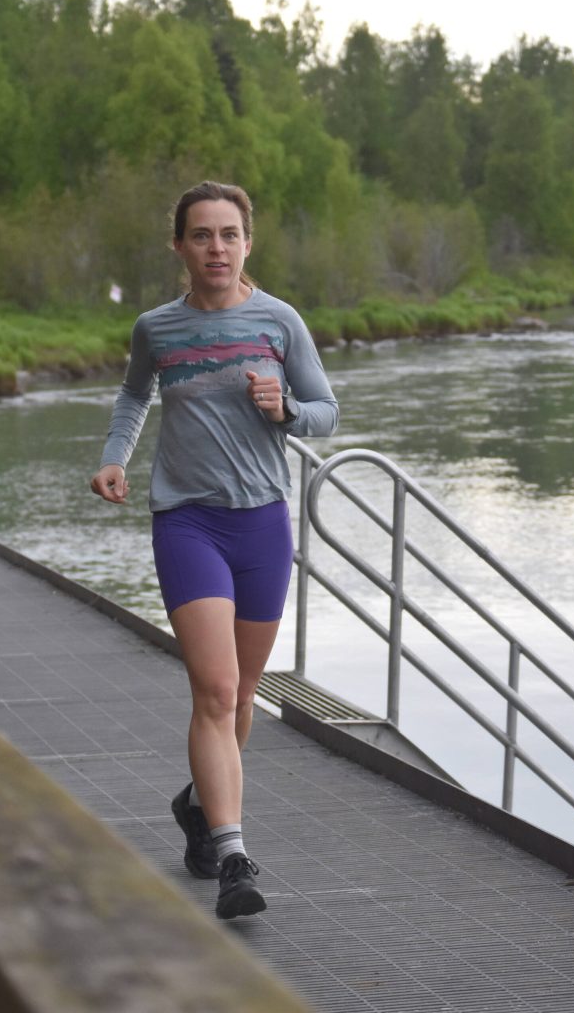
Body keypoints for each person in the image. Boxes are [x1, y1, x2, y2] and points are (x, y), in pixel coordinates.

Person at [90, 180, 338, 920]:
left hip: (262, 525)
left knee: (240, 702)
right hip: (187, 522)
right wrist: (115, 457)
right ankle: (234, 856)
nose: (217, 249)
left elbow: (325, 411)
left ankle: (199, 807)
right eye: (202, 235)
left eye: (229, 235)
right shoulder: (156, 329)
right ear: (180, 247)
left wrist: (287, 409)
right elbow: (135, 396)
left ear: (247, 244)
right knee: (217, 690)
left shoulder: (280, 321)